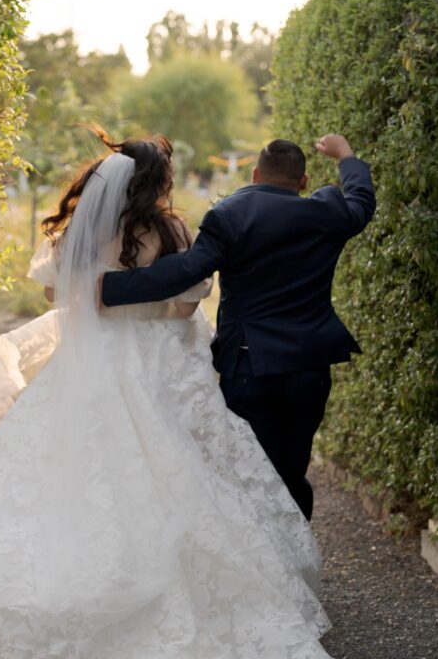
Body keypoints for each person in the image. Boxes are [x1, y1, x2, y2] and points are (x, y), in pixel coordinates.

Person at [0, 132, 379, 659]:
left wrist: (102, 292)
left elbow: (64, 293)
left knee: (69, 480)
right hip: (212, 361)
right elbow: (188, 301)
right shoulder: (204, 226)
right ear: (159, 181)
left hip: (108, 366)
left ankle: (61, 604)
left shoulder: (109, 225)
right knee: (218, 476)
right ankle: (259, 587)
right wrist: (346, 159)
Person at [101, 135, 376, 521]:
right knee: (293, 468)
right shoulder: (328, 213)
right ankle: (297, 563)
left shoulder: (229, 215)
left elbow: (185, 271)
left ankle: (267, 568)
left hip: (251, 366)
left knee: (251, 472)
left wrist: (107, 287)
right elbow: (362, 201)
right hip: (309, 368)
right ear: (303, 181)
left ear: (254, 174)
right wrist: (346, 155)